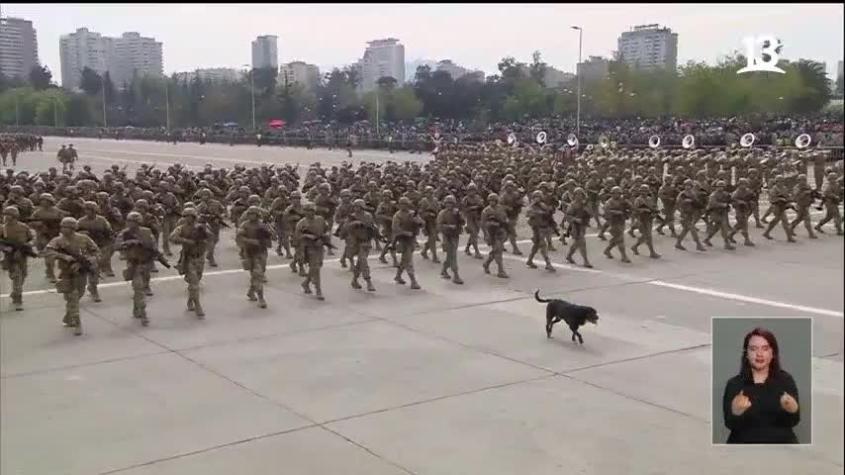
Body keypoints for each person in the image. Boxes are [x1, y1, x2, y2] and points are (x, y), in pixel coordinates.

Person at [722, 327, 801, 444]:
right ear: (747, 354)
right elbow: (729, 424)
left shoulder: (785, 380)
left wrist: (792, 409)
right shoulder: (734, 384)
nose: (759, 354)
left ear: (772, 353)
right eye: (753, 349)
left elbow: (794, 421)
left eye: (765, 349)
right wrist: (735, 412)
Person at [44, 217, 99, 335]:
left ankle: (69, 316)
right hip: (66, 272)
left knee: (79, 293)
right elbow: (48, 252)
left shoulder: (84, 238)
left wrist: (84, 261)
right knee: (72, 296)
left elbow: (95, 252)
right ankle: (77, 322)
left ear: (73, 228)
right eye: (62, 227)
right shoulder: (57, 240)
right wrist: (64, 257)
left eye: (66, 227)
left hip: (81, 271)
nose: (63, 229)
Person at [114, 212, 157, 325]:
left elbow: (153, 246)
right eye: (129, 221)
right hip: (134, 264)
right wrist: (128, 243)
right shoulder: (124, 233)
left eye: (133, 222)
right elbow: (117, 246)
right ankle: (143, 313)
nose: (131, 224)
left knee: (140, 287)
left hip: (146, 263)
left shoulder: (146, 232)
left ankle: (136, 307)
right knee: (139, 288)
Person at [169, 208, 210, 318]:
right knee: (194, 283)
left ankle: (191, 299)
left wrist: (203, 238)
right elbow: (172, 237)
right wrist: (186, 241)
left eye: (190, 216)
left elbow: (210, 237)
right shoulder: (181, 228)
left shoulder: (201, 228)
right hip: (189, 258)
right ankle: (197, 305)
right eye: (186, 216)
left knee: (198, 278)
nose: (188, 218)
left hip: (200, 257)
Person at [236, 206, 273, 308]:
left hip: (261, 252)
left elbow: (270, 237)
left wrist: (268, 237)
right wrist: (250, 241)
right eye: (250, 214)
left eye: (254, 214)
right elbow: (239, 237)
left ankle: (251, 291)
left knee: (259, 273)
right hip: (250, 253)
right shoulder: (245, 225)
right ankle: (261, 298)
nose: (252, 216)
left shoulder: (262, 225)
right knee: (257, 274)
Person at [1, 206, 36, 311]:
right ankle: (18, 297)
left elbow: (32, 238)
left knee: (24, 274)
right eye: (5, 214)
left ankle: (15, 292)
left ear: (15, 216)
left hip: (22, 255)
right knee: (17, 276)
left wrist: (28, 245)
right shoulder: (3, 228)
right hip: (10, 256)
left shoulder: (24, 227)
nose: (6, 217)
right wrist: (5, 248)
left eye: (9, 214)